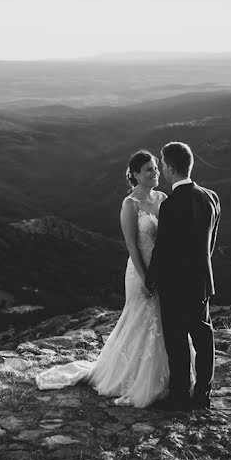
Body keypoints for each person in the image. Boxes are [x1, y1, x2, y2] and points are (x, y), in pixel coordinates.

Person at [35, 150, 172, 407]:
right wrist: (145, 278)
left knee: (165, 319)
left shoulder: (163, 198)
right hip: (140, 270)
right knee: (141, 320)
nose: (155, 173)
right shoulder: (130, 204)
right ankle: (134, 377)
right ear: (135, 175)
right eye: (148, 170)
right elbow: (132, 245)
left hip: (164, 269)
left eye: (155, 168)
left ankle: (166, 375)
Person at [145, 141, 220, 411]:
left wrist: (150, 279)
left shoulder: (171, 204)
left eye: (163, 165)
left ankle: (179, 395)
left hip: (175, 285)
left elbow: (162, 250)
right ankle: (203, 394)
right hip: (201, 282)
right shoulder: (211, 197)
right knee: (203, 339)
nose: (162, 170)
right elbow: (209, 245)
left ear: (170, 168)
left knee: (176, 342)